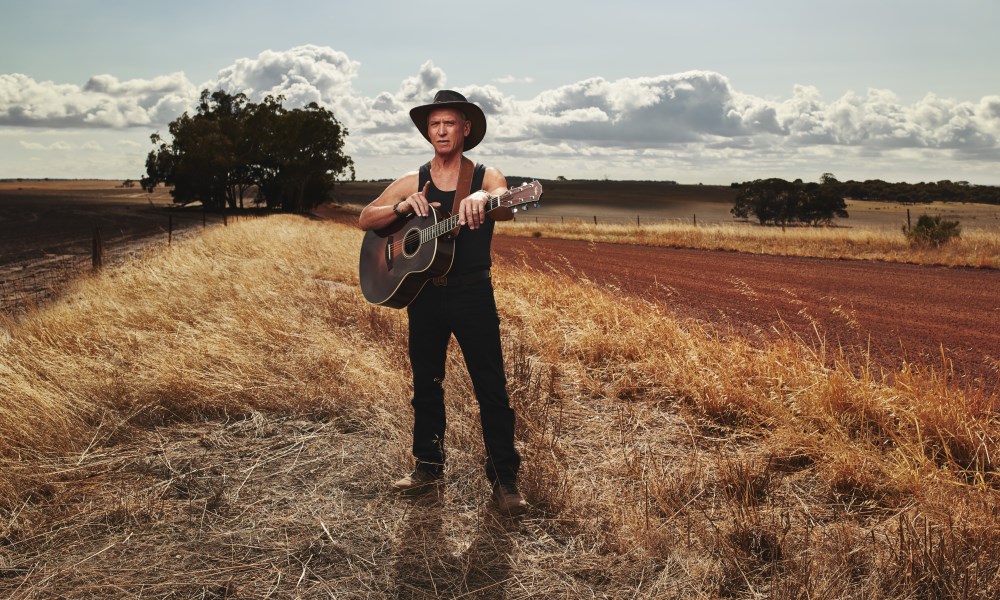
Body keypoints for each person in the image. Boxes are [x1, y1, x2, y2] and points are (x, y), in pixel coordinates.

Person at [358, 90, 527, 516]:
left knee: (491, 388)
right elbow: (366, 218)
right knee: (426, 385)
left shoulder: (485, 175)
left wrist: (483, 199)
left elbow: (505, 201)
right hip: (426, 297)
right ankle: (427, 468)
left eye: (449, 123)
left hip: (472, 293)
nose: (441, 131)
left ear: (465, 129)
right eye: (434, 125)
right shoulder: (416, 179)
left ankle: (505, 480)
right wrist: (399, 206)